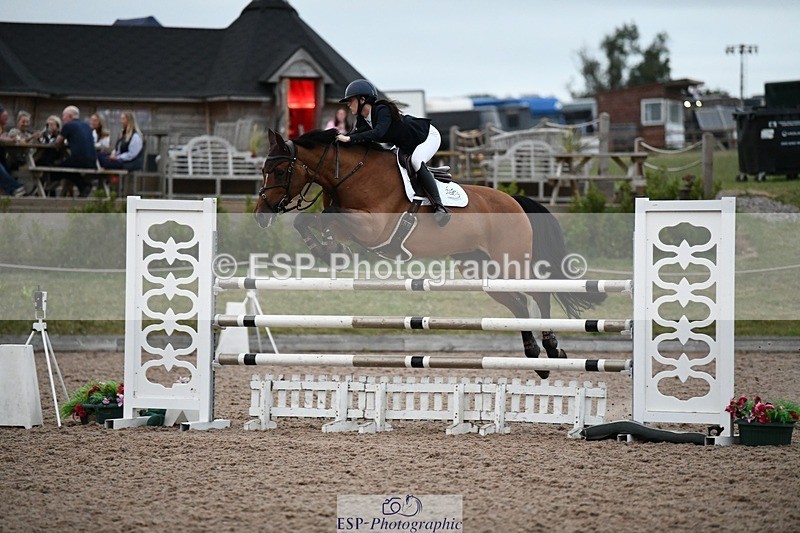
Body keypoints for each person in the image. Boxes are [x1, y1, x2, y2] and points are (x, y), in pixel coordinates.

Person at [335, 79, 449, 226]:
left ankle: (439, 207)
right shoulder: (362, 120)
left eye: (350, 101)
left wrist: (349, 138)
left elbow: (378, 133)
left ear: (362, 99)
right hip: (406, 144)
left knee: (416, 161)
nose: (348, 105)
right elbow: (356, 137)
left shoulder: (383, 110)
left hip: (426, 136)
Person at [53, 105, 97, 197]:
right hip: (93, 161)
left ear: (69, 116)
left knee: (57, 170)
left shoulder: (68, 125)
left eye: (63, 117)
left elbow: (57, 142)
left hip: (79, 160)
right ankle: (82, 188)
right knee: (69, 167)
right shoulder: (87, 126)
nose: (63, 119)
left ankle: (49, 190)